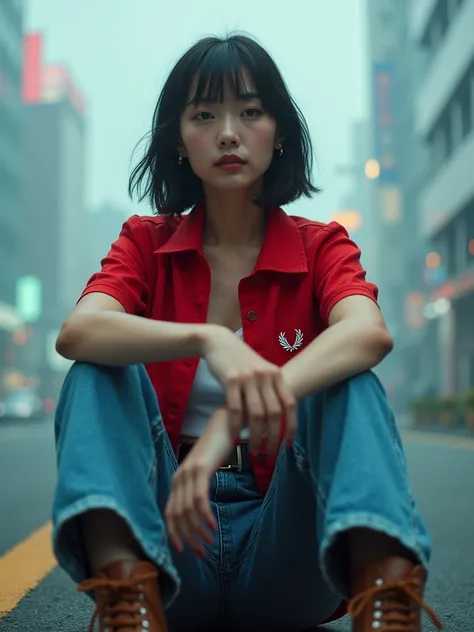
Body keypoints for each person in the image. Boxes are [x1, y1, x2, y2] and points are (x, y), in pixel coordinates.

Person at [52, 33, 443, 632]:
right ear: (179, 140)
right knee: (99, 368)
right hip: (169, 550)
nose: (228, 133)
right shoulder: (146, 242)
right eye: (203, 115)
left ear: (279, 131)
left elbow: (369, 333)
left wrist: (226, 425)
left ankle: (386, 600)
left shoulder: (321, 246)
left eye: (250, 111)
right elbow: (79, 331)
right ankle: (126, 594)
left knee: (348, 377)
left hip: (284, 550)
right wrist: (208, 339)